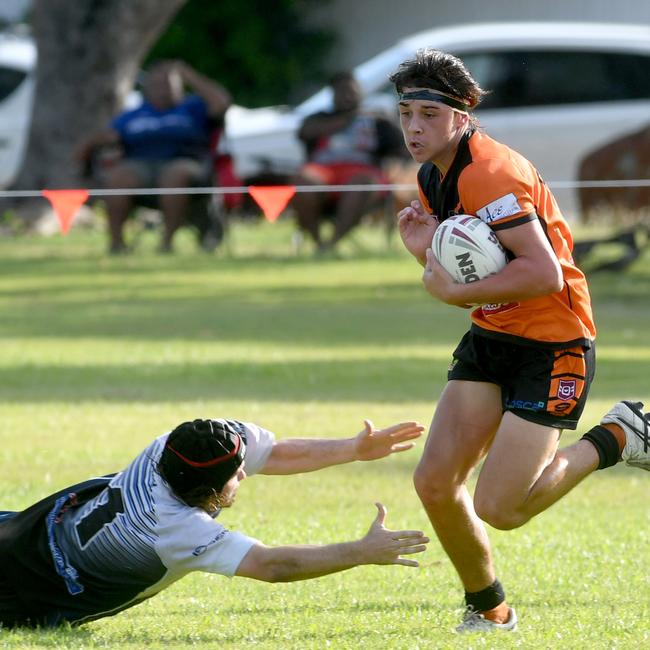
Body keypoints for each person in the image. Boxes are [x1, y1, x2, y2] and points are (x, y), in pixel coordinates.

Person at [389, 48, 650, 633]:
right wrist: (425, 254)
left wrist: (453, 293)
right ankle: (489, 611)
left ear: (463, 114)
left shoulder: (491, 173)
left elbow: (543, 273)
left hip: (554, 344)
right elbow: (467, 266)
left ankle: (618, 436)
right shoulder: (432, 172)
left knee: (501, 508)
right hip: (494, 335)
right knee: (434, 482)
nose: (413, 127)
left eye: (428, 113)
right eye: (405, 112)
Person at [0, 417, 428, 628]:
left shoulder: (175, 445)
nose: (244, 475)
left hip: (22, 528)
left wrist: (352, 448)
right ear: (205, 492)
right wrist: (362, 551)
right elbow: (273, 566)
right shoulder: (172, 528)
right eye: (234, 475)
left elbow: (273, 453)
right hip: (23, 590)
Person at [76, 60, 232, 254]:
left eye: (168, 83)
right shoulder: (134, 115)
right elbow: (105, 138)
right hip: (139, 165)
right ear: (147, 89)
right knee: (119, 177)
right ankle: (116, 245)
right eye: (157, 84)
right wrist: (92, 146)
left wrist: (188, 74)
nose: (162, 89)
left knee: (174, 175)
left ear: (180, 86)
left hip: (187, 162)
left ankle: (166, 244)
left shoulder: (194, 108)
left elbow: (222, 102)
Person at [292, 71, 405, 252]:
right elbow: (304, 133)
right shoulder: (319, 118)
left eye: (351, 91)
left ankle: (332, 243)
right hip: (324, 170)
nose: (347, 96)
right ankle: (317, 241)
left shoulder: (377, 120)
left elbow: (401, 147)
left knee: (362, 184)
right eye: (341, 91)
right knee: (303, 181)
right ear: (333, 95)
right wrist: (346, 118)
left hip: (362, 170)